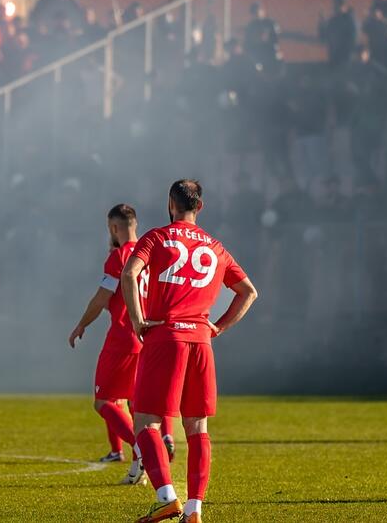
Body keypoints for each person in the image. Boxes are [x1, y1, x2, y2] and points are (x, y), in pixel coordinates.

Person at [121, 180, 258, 523]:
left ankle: (166, 497)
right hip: (200, 342)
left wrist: (138, 320)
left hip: (165, 337)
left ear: (170, 204)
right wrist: (219, 326)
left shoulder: (156, 237)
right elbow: (248, 292)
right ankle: (195, 509)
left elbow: (129, 274)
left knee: (146, 422)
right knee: (198, 427)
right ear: (201, 207)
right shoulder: (215, 247)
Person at [68, 204, 172, 486]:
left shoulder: (120, 257)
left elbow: (102, 297)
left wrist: (81, 324)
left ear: (114, 228)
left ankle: (142, 449)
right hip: (147, 335)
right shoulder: (150, 254)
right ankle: (134, 453)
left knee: (103, 401)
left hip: (124, 337)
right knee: (134, 404)